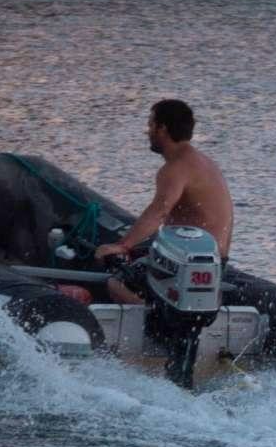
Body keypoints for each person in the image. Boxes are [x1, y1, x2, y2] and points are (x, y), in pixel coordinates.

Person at [94, 98, 235, 303]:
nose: (148, 131)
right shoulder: (203, 162)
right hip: (213, 261)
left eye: (151, 125)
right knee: (140, 256)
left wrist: (123, 246)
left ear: (163, 128)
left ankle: (152, 323)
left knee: (116, 283)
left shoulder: (175, 169)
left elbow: (159, 211)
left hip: (193, 263)